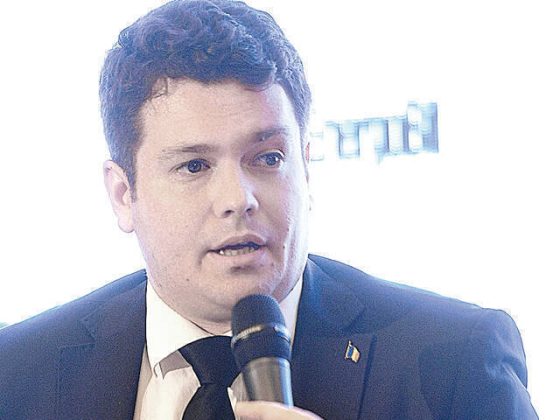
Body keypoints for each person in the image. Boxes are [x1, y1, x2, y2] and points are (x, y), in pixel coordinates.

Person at [0, 1, 538, 419]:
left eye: (268, 158)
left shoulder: (454, 361)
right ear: (123, 194)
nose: (238, 199)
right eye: (194, 166)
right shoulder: (18, 373)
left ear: (305, 168)